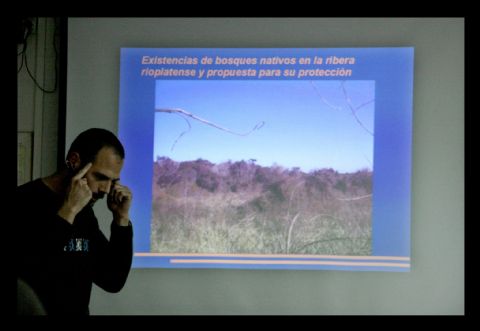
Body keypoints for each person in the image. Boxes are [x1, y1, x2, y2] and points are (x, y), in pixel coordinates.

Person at [16, 128, 133, 315]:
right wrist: (68, 211)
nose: (105, 189)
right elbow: (33, 278)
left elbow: (112, 280)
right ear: (74, 161)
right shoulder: (23, 202)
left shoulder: (85, 213)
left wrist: (121, 220)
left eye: (113, 181)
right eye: (100, 177)